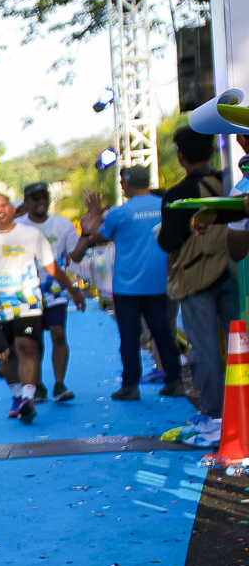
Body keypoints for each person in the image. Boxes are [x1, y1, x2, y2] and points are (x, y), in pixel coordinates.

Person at [72, 168, 183, 401]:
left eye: (122, 181)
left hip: (127, 286)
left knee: (130, 337)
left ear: (128, 183)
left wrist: (94, 218)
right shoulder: (165, 205)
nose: (121, 185)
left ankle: (130, 386)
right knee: (163, 333)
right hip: (160, 282)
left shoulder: (120, 212)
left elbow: (100, 237)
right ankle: (175, 381)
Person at [158, 125, 237, 446]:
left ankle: (215, 417)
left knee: (204, 349)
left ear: (180, 156)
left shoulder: (178, 194)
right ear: (213, 149)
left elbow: (169, 241)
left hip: (197, 278)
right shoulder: (231, 183)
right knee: (240, 343)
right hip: (235, 271)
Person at [0, 192, 85, 422]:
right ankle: (17, 396)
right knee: (6, 353)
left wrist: (73, 289)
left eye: (3, 204)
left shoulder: (31, 235)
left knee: (27, 346)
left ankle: (28, 398)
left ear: (12, 208)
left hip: (28, 304)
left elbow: (51, 265)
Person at [17, 182, 80, 402]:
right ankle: (38, 385)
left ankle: (60, 385)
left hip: (55, 293)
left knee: (59, 335)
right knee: (33, 341)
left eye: (45, 197)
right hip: (26, 295)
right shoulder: (17, 227)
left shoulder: (63, 225)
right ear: (27, 202)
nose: (41, 201)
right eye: (36, 198)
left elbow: (76, 255)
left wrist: (89, 234)